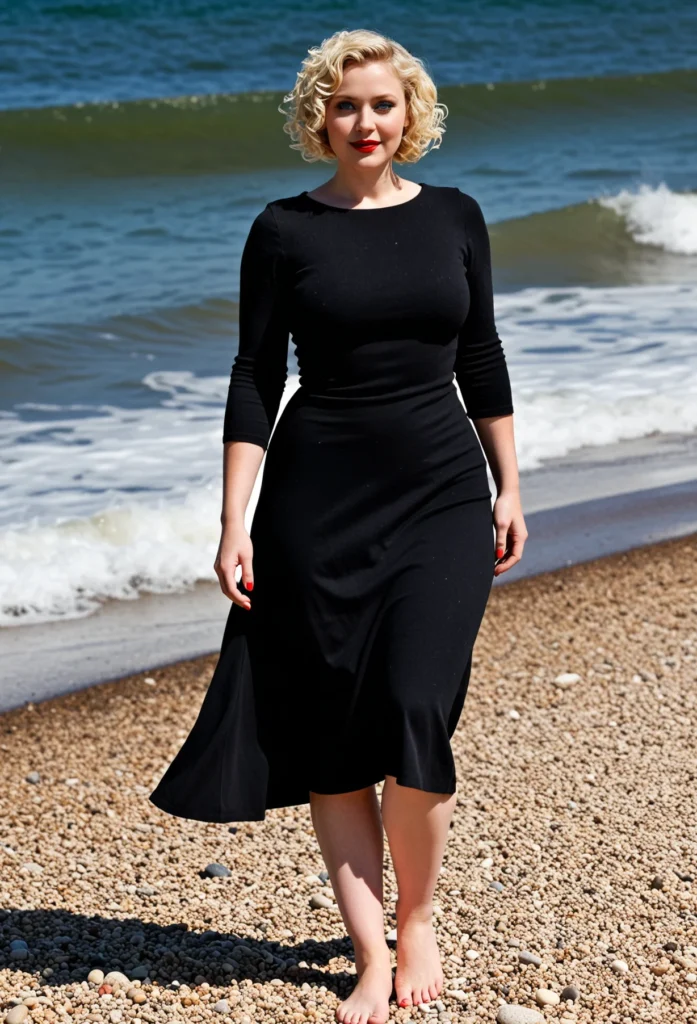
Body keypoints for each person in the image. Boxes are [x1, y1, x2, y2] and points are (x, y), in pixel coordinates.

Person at [150, 27, 527, 1024]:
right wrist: (234, 521)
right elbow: (253, 376)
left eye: (382, 104)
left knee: (413, 706)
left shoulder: (455, 216)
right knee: (333, 736)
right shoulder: (282, 230)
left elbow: (479, 354)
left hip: (442, 493)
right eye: (346, 104)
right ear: (319, 117)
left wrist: (509, 484)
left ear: (412, 115)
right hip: (317, 502)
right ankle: (369, 949)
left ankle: (419, 918)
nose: (365, 121)